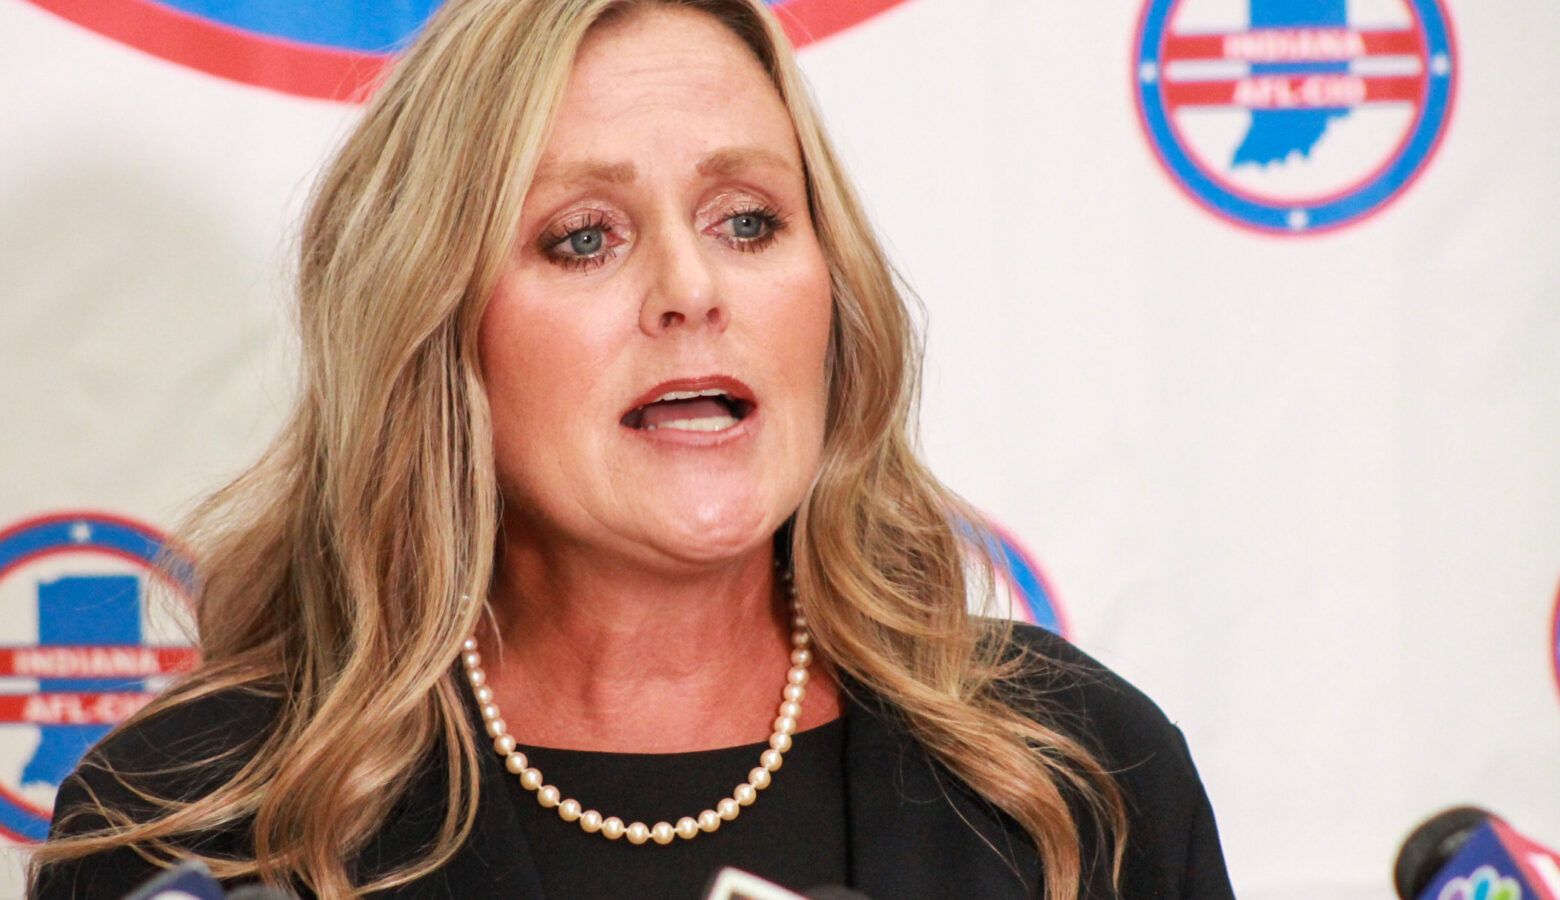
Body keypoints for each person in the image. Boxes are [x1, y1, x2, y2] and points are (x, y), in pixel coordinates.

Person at [31, 1, 1235, 898]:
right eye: (584, 238)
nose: (691, 288)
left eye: (748, 220)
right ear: (440, 327)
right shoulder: (186, 825)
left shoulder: (1081, 774)